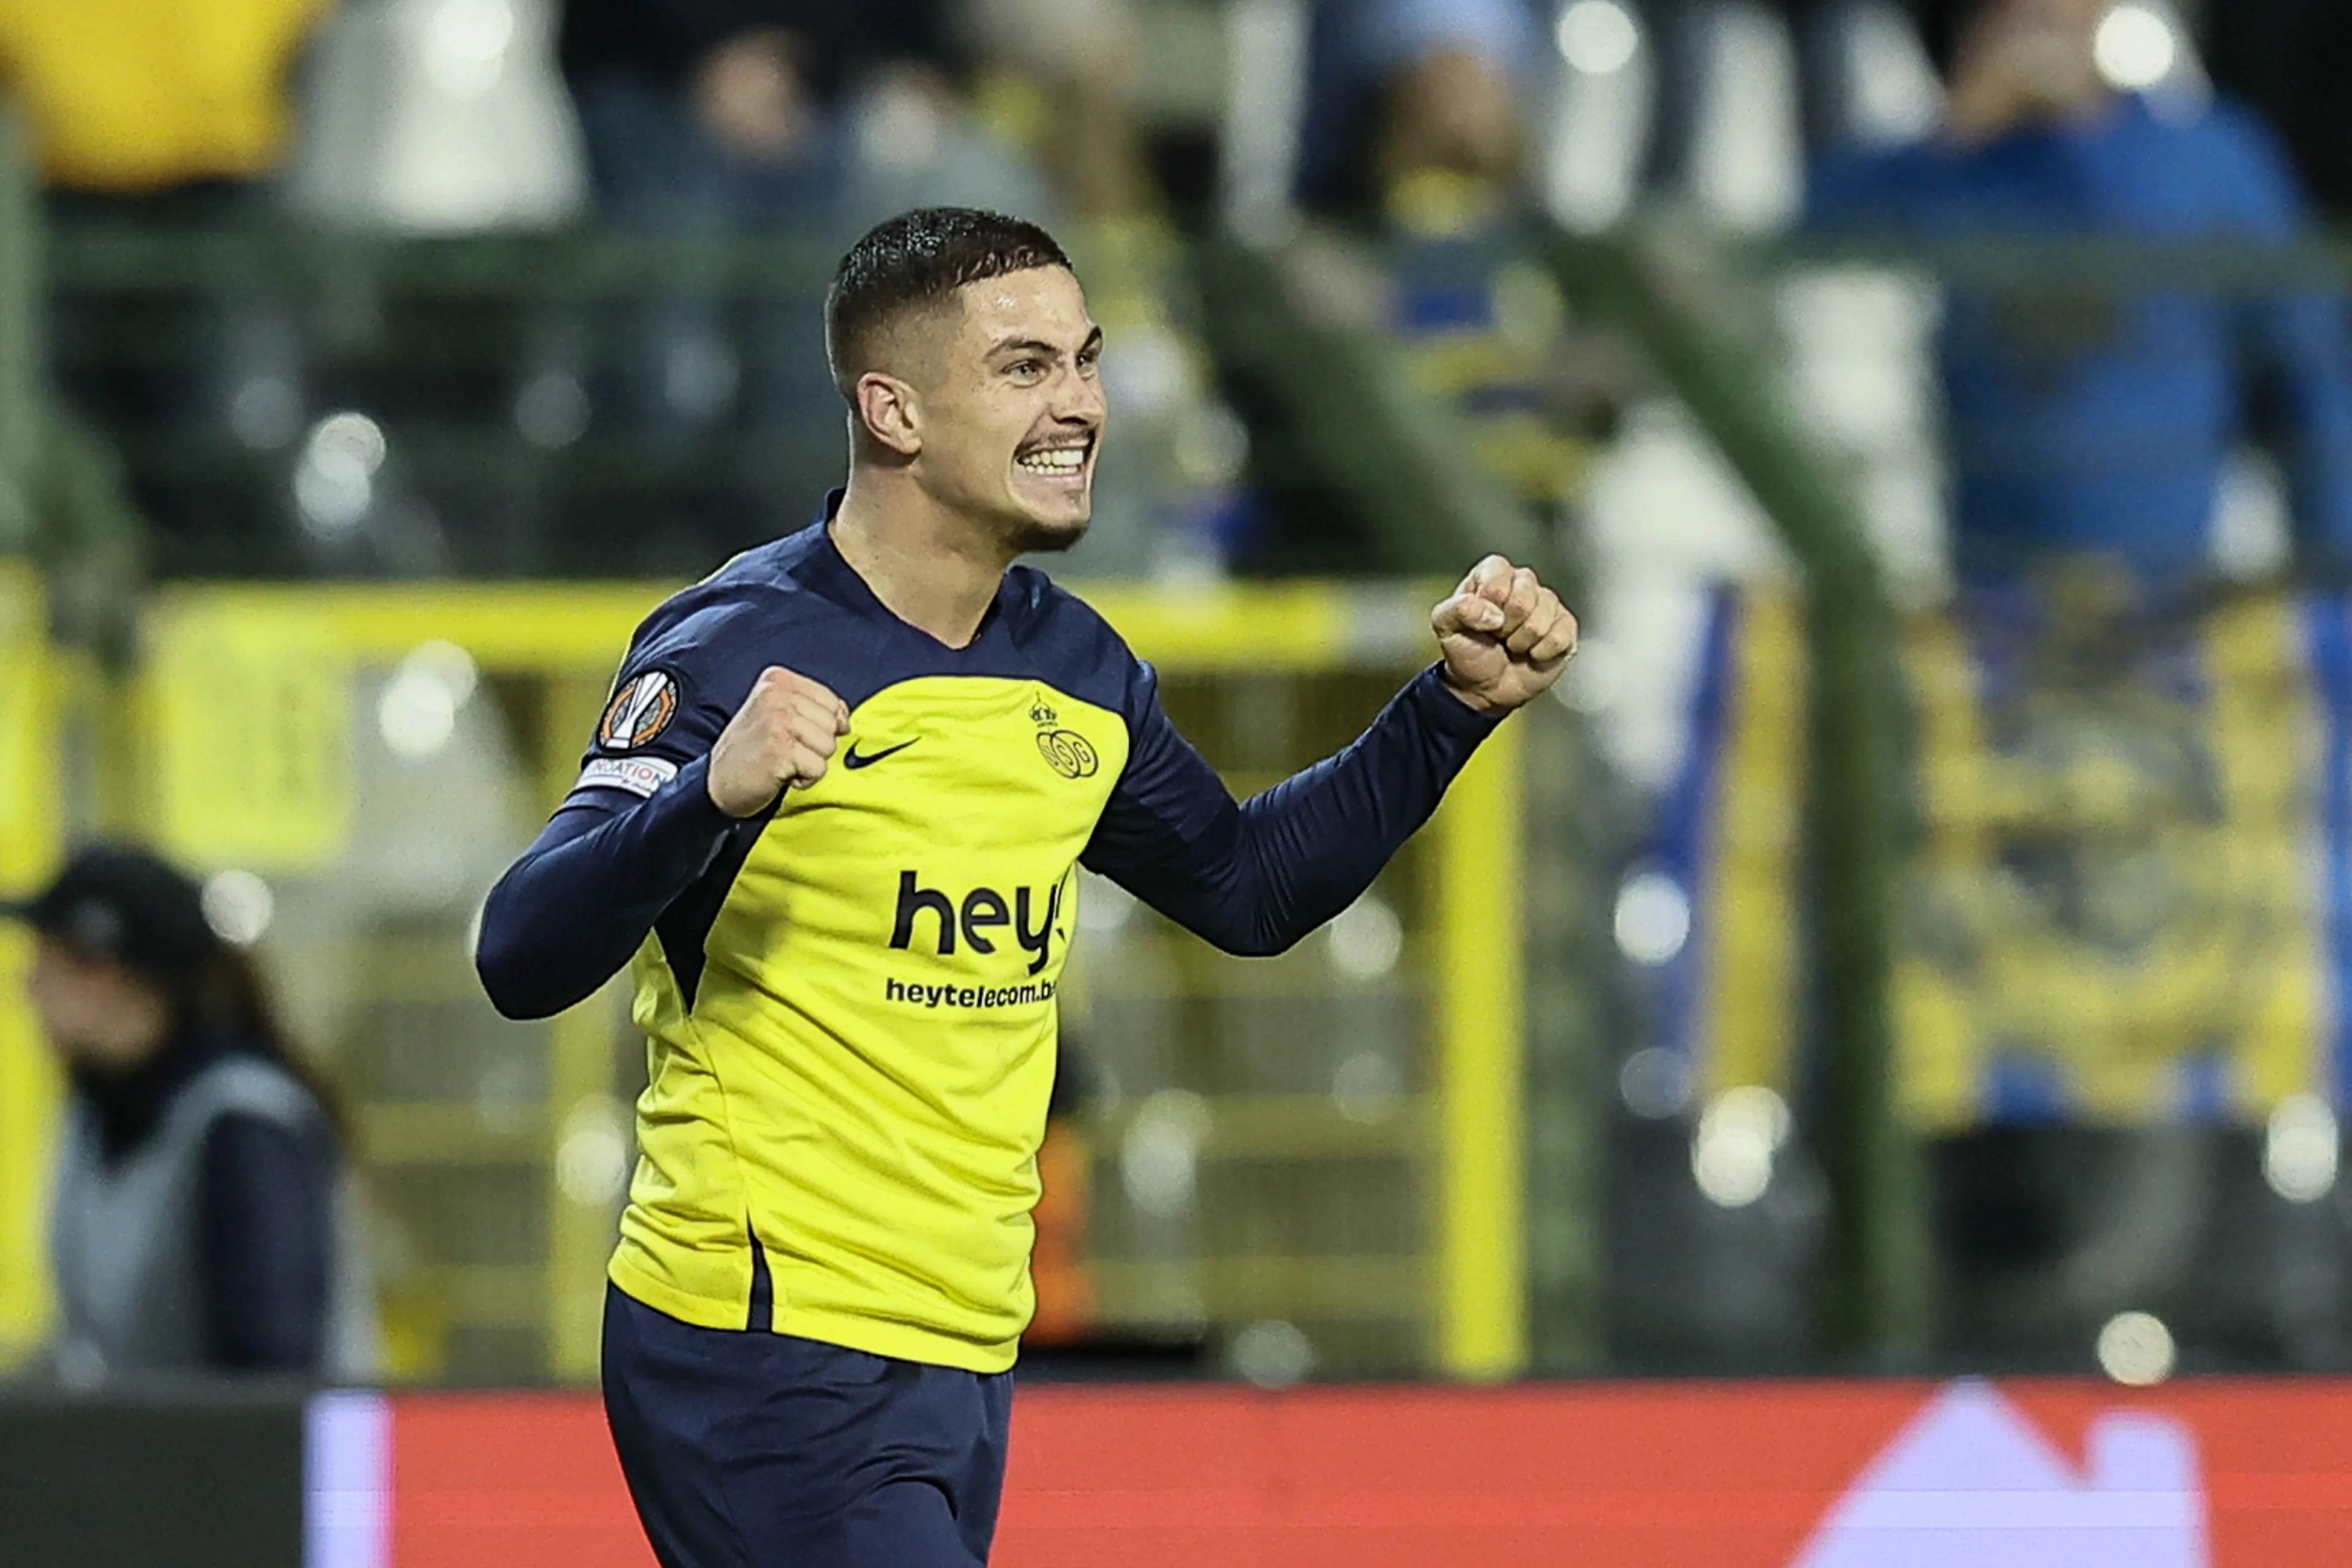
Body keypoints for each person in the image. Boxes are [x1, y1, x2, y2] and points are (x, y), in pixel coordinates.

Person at [474, 206, 1575, 1567]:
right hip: (766, 1337)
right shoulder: (733, 649)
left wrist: (1449, 711)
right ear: (895, 410)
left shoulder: (1076, 669)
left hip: (961, 1346)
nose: (1080, 405)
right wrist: (710, 794)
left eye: (1087, 359)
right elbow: (518, 952)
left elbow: (1250, 888)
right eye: (1025, 368)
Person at [1806, 0, 2352, 586]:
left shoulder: (2208, 158)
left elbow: (2309, 370)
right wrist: (1952, 132)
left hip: (2167, 594)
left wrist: (2331, 570)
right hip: (1991, 592)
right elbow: (1810, 230)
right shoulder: (1957, 166)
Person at [6, 845, 375, 1384]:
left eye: (48, 960)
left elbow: (275, 1372)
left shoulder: (243, 1125)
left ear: (108, 973)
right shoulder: (99, 1115)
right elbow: (92, 1351)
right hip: (160, 1462)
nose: (29, 987)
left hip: (267, 1463)